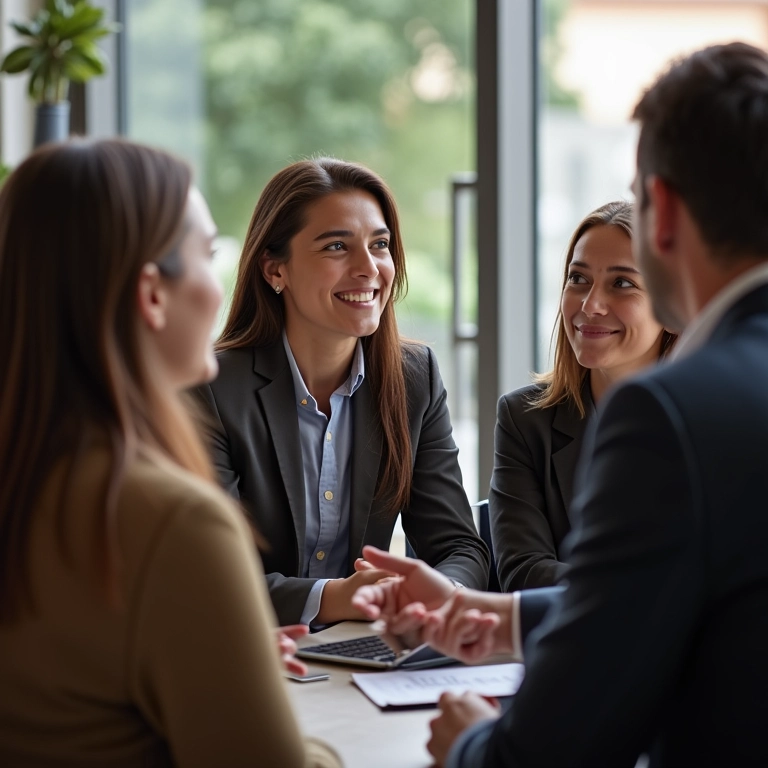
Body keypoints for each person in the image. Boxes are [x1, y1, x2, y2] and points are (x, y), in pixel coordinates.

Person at [352, 41, 768, 768]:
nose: (592, 305)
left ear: (661, 209)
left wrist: (470, 747)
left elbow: (558, 744)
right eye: (579, 280)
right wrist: (496, 616)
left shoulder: (670, 416)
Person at [0, 139, 340, 768]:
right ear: (153, 293)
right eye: (208, 256)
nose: (219, 288)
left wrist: (216, 660)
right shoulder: (172, 522)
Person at [195, 157, 489, 627]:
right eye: (336, 246)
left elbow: (460, 547)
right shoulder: (210, 389)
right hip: (253, 648)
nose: (368, 268)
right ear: (275, 270)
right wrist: (334, 598)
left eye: (380, 245)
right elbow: (208, 575)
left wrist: (435, 595)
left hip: (368, 649)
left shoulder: (415, 378)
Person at [491, 201, 676, 591]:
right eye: (578, 279)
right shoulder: (524, 418)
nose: (590, 305)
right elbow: (524, 572)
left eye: (622, 283)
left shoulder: (712, 419)